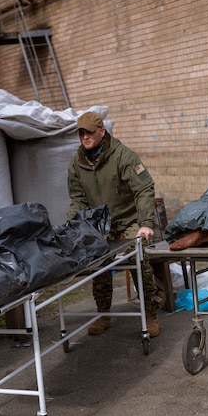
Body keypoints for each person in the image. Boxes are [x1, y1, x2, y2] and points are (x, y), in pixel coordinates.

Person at [66, 111, 162, 337]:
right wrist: (72, 226)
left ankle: (150, 315)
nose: (85, 137)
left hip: (128, 221)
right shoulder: (77, 164)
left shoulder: (123, 156)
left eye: (89, 132)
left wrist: (146, 223)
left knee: (140, 261)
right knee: (98, 262)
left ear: (102, 132)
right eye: (81, 133)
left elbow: (144, 189)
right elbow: (78, 199)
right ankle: (103, 315)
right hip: (100, 224)